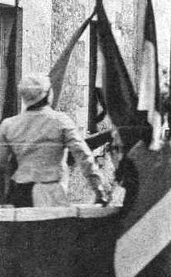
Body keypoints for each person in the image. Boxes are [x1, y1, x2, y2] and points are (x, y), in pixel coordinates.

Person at [0, 74, 108, 207]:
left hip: (20, 193)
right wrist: (99, 191)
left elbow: (1, 164)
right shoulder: (60, 121)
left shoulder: (8, 125)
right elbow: (83, 156)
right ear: (48, 94)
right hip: (51, 192)